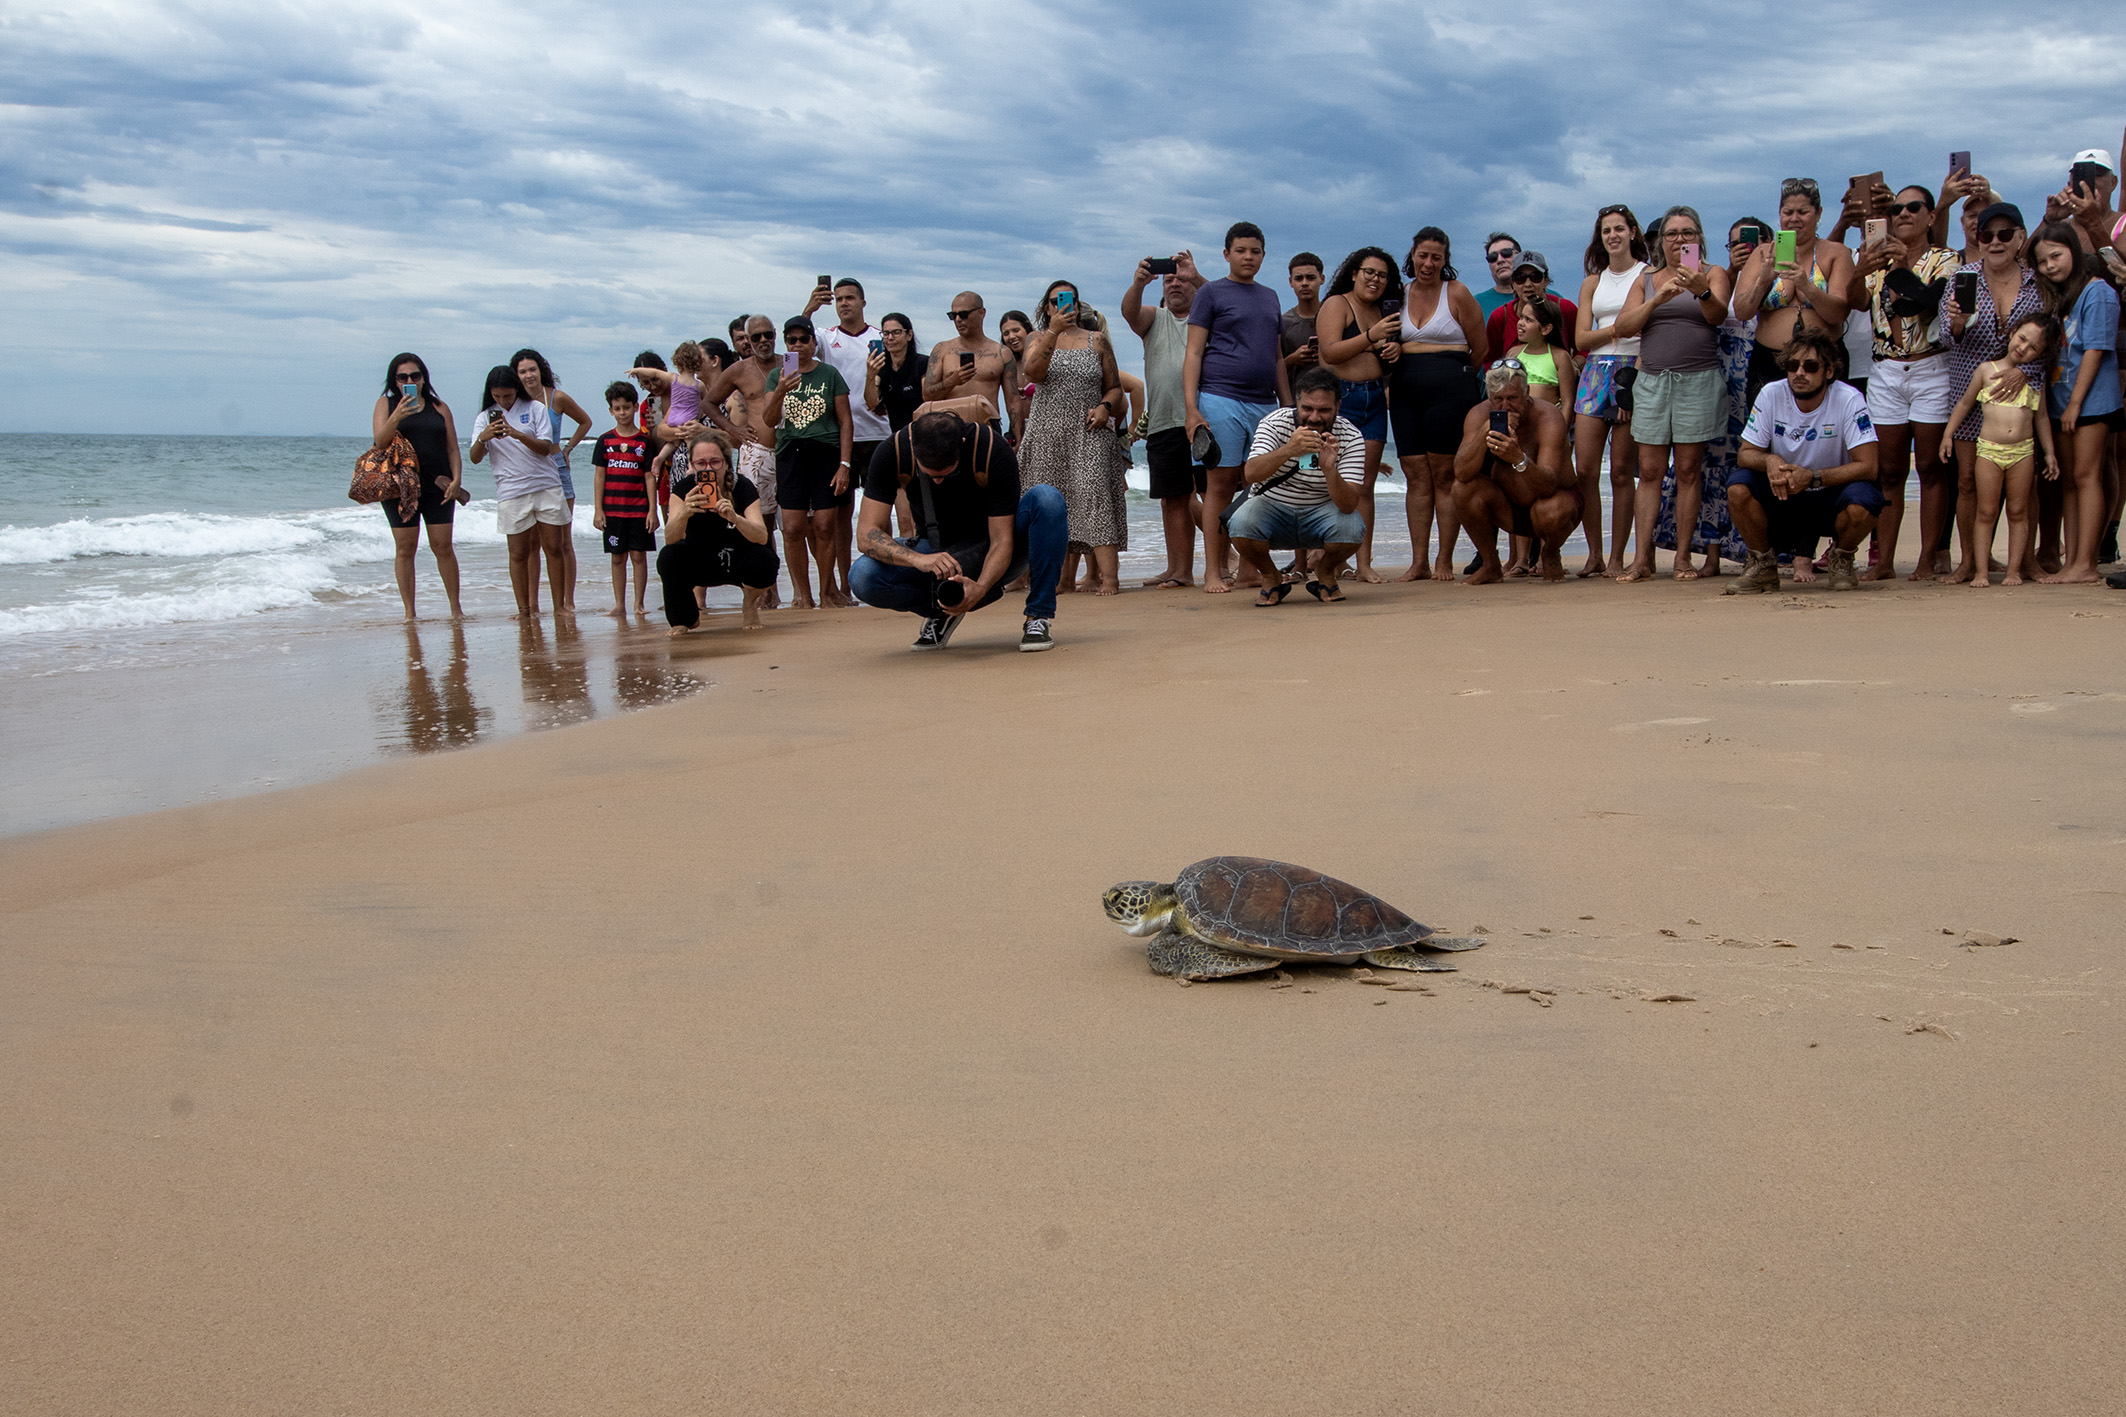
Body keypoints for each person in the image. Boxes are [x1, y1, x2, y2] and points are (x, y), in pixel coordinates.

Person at [850, 412, 1066, 652]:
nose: (938, 481)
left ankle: (1038, 615)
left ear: (961, 444)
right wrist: (918, 559)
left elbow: (1002, 540)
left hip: (994, 549)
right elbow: (866, 535)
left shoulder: (991, 448)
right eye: (930, 473)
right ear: (913, 446)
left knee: (1047, 499)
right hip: (936, 552)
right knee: (862, 576)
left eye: (946, 472)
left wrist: (981, 588)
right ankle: (944, 608)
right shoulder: (893, 451)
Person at [1611, 205, 1732, 582]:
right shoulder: (1646, 278)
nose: (1680, 239)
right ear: (1660, 241)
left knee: (1688, 470)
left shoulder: (1713, 273)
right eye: (1672, 233)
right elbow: (1623, 327)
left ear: (1699, 238)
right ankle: (1641, 560)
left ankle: (1682, 558)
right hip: (1652, 382)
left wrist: (1702, 290)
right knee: (1648, 471)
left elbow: (1718, 316)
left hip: (1697, 380)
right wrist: (1657, 299)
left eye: (1688, 232)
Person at [1854, 185, 1962, 581]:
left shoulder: (1946, 259)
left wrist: (1901, 267)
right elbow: (1854, 301)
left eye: (1913, 207)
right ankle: (1884, 562)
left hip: (1930, 367)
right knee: (1889, 472)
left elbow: (1926, 303)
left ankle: (1926, 560)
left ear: (1931, 217)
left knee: (1931, 467)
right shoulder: (1877, 260)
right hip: (1886, 370)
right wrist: (1861, 269)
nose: (1903, 213)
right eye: (1897, 208)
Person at [1725, 330, 1882, 594]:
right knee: (1738, 487)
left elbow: (1869, 466)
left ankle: (1842, 557)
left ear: (1829, 371)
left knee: (1865, 501)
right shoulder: (1771, 393)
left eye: (1810, 366)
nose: (1799, 373)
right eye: (1792, 365)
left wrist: (1813, 477)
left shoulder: (1850, 399)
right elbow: (1745, 454)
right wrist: (1770, 460)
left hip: (1830, 495)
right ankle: (1762, 564)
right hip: (1783, 492)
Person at [1943, 201, 2047, 583]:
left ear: (2021, 237)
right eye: (1987, 235)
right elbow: (1945, 338)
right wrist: (1957, 324)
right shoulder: (1962, 277)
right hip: (1970, 387)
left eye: (2005, 234)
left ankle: (2026, 561)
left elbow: (2048, 341)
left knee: (2025, 484)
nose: (1995, 242)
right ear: (1978, 239)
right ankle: (1970, 561)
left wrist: (2025, 372)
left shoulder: (2037, 283)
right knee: (1967, 481)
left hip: (2022, 390)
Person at [1186, 221, 1292, 594]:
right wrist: (1191, 409)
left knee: (1258, 484)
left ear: (1263, 255)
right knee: (1219, 485)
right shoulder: (1210, 293)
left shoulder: (1271, 297)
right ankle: (1213, 572)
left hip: (1264, 403)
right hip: (1220, 397)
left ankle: (1249, 570)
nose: (1249, 257)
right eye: (1241, 250)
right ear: (1227, 254)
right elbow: (1194, 352)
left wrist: (1287, 406)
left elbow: (1277, 357)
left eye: (1255, 251)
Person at [1390, 225, 1488, 581]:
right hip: (1405, 391)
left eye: (1436, 257)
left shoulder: (1456, 292)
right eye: (1423, 256)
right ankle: (1419, 561)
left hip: (1451, 389)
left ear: (1445, 261)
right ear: (1412, 255)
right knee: (1415, 475)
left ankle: (1444, 560)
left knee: (1445, 475)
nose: (1428, 263)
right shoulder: (1399, 294)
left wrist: (1451, 375)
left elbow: (1481, 348)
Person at [1021, 280, 1130, 595]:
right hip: (1046, 435)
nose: (1062, 306)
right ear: (1046, 308)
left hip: (1089, 432)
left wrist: (1105, 407)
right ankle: (1059, 580)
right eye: (1054, 301)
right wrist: (1053, 332)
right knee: (1051, 506)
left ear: (1078, 304)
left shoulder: (1097, 340)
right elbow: (1033, 373)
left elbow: (1114, 387)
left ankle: (1109, 579)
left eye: (1068, 300)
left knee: (1095, 499)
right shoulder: (1037, 339)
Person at [1227, 366, 1366, 605]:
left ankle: (1325, 571)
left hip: (1321, 513)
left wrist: (1329, 469)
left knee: (1353, 528)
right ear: (1297, 403)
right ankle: (1270, 575)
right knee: (1240, 524)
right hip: (1273, 507)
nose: (1314, 418)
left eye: (1324, 410)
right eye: (1307, 408)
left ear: (1338, 406)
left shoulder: (1351, 436)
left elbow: (1348, 505)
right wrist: (1289, 450)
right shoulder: (1274, 423)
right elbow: (1251, 473)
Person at [1943, 315, 2062, 588]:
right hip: (1988, 451)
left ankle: (2014, 570)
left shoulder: (2035, 379)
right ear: (2012, 332)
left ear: (2041, 354)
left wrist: (2049, 452)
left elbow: (2042, 417)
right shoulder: (1986, 370)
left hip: (2023, 452)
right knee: (1986, 512)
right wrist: (1948, 435)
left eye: (2033, 347)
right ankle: (1981, 571)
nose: (2023, 348)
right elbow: (1964, 404)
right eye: (2022, 338)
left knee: (2019, 511)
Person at [2032, 226, 2118, 585]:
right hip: (2060, 399)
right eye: (2042, 261)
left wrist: (2075, 405)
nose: (2050, 266)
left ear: (2074, 251)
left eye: (2056, 255)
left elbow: (2095, 350)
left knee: (2086, 476)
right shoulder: (2057, 295)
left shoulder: (2098, 291)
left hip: (2091, 401)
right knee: (2069, 481)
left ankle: (2087, 562)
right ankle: (2074, 562)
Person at [1314, 247, 1403, 583]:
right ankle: (1327, 559)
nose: (1375, 280)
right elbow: (1330, 352)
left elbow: (1380, 355)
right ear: (1354, 273)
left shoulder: (1382, 311)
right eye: (1369, 272)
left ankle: (1363, 564)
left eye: (1382, 276)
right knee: (1325, 479)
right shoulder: (1337, 304)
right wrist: (1370, 337)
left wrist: (1393, 349)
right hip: (1342, 398)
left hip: (1375, 398)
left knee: (1365, 486)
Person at [1732, 179, 1856, 417]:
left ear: (1818, 213)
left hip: (1822, 362)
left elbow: (1839, 313)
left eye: (1803, 212)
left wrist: (1805, 285)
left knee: (1827, 430)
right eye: (1788, 212)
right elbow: (1742, 311)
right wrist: (1764, 281)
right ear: (1780, 214)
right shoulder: (1762, 254)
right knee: (1767, 432)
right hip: (1769, 362)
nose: (1794, 218)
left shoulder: (1835, 253)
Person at [1451, 361, 1582, 583]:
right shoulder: (1479, 414)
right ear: (1489, 396)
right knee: (1461, 489)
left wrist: (1518, 458)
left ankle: (1550, 553)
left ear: (1526, 393)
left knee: (1551, 509)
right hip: (1510, 509)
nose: (1505, 406)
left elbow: (1549, 484)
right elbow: (1461, 473)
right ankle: (1490, 563)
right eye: (1498, 399)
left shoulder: (1547, 416)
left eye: (1512, 398)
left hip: (1554, 504)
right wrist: (1484, 431)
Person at [1572, 205, 1649, 578]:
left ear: (1632, 232)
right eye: (1606, 231)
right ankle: (1594, 554)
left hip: (1632, 370)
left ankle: (1618, 556)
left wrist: (1634, 377)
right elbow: (1581, 339)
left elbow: (1649, 330)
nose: (1613, 236)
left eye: (1619, 229)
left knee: (1621, 471)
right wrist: (1618, 329)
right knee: (1585, 468)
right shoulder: (1593, 282)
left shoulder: (1646, 274)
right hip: (1594, 371)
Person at [1123, 252, 1207, 589]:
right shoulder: (1154, 319)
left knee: (1211, 495)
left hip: (1203, 420)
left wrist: (1196, 275)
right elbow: (1129, 313)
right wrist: (1138, 284)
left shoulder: (1208, 317)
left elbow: (1223, 299)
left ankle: (1222, 563)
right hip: (1162, 421)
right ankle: (1178, 570)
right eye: (1169, 280)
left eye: (1181, 279)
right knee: (1173, 499)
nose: (1175, 284)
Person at [803, 277, 891, 593]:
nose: (844, 303)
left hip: (879, 433)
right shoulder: (826, 338)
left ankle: (885, 576)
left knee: (882, 511)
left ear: (862, 302)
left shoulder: (881, 336)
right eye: (839, 299)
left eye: (850, 298)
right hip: (839, 437)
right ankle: (843, 585)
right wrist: (810, 308)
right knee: (840, 514)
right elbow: (797, 345)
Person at [764, 316, 855, 609]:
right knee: (792, 528)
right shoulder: (777, 375)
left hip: (825, 452)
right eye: (792, 340)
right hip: (790, 454)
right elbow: (769, 420)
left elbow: (845, 422)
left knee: (825, 525)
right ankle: (803, 595)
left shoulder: (829, 374)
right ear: (785, 344)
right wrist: (781, 389)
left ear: (814, 343)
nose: (798, 345)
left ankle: (827, 592)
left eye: (804, 339)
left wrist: (844, 465)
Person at [371, 353, 466, 620]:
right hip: (399, 487)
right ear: (394, 381)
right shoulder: (386, 404)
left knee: (443, 546)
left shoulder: (439, 407)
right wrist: (398, 414)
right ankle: (410, 613)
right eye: (402, 377)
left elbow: (452, 448)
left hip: (438, 485)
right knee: (405, 549)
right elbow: (380, 442)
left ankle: (456, 609)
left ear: (424, 378)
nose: (409, 381)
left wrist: (457, 480)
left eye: (415, 376)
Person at [467, 364, 566, 617]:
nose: (503, 401)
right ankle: (524, 609)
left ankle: (559, 607)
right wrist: (483, 437)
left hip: (545, 485)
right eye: (497, 396)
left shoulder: (535, 408)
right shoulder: (485, 417)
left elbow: (545, 448)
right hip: (511, 490)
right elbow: (474, 458)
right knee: (518, 553)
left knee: (554, 548)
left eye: (508, 396)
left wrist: (516, 434)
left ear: (517, 390)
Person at [657, 432, 778, 634]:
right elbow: (670, 538)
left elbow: (761, 536)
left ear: (726, 463)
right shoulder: (684, 489)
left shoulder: (742, 486)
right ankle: (683, 619)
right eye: (701, 463)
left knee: (765, 560)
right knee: (668, 557)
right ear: (692, 465)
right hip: (701, 559)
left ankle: (749, 603)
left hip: (738, 559)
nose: (709, 469)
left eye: (715, 462)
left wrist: (735, 518)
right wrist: (684, 513)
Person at [511, 350, 592, 614]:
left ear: (541, 370)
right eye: (522, 371)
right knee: (532, 544)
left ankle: (567, 602)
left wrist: (568, 448)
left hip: (556, 467)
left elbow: (585, 421)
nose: (528, 375)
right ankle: (532, 604)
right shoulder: (515, 402)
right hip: (527, 473)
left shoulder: (556, 397)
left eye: (532, 369)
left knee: (562, 541)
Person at [592, 381, 657, 617]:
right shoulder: (604, 441)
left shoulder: (644, 442)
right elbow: (600, 476)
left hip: (639, 510)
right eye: (617, 408)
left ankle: (638, 604)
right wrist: (598, 510)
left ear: (635, 407)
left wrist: (652, 511)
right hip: (613, 510)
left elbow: (649, 477)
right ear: (611, 410)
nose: (622, 413)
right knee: (617, 558)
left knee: (639, 556)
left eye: (626, 408)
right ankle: (619, 604)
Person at [923, 292, 1013, 428]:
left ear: (981, 313)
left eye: (963, 314)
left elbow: (1013, 401)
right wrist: (952, 381)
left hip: (987, 426)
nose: (958, 319)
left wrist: (1018, 435)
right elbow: (927, 395)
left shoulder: (1002, 353)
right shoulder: (942, 350)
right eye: (953, 316)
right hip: (950, 427)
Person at [1484, 251, 1577, 371]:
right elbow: (1490, 362)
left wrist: (1570, 367)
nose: (1528, 284)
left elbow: (1584, 351)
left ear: (1546, 281)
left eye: (1535, 277)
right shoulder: (1500, 316)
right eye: (1520, 278)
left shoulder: (1565, 309)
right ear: (1513, 283)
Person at [1281, 252, 1325, 382]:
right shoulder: (1284, 323)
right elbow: (1272, 370)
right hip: (1297, 392)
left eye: (1310, 278)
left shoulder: (1335, 317)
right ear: (1291, 282)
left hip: (1334, 392)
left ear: (1322, 279)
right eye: (1299, 278)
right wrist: (1293, 359)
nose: (1304, 283)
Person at [996, 310, 1036, 441]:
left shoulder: (1042, 361)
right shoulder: (1008, 365)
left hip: (1042, 427)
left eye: (1016, 330)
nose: (1011, 337)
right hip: (1017, 430)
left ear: (1027, 329)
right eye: (1006, 333)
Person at [1476, 232, 1522, 317]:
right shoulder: (1475, 304)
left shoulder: (1546, 298)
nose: (1500, 260)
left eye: (1506, 253)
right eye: (1493, 257)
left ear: (1520, 257)